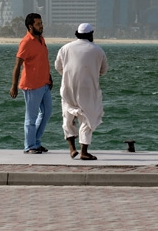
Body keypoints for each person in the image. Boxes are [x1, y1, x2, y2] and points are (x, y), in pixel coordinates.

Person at [54, 23, 108, 161]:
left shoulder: (65, 48)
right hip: (88, 89)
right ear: (91, 35)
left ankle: (72, 149)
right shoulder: (98, 50)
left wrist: (69, 75)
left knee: (67, 117)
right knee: (87, 119)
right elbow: (103, 70)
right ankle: (84, 152)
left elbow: (58, 67)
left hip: (68, 88)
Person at [9, 13, 53, 153]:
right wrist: (14, 86)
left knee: (47, 112)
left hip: (44, 84)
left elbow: (42, 60)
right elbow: (17, 65)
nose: (41, 26)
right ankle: (29, 146)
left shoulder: (41, 39)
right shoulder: (26, 42)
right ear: (30, 26)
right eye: (38, 24)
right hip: (31, 85)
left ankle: (36, 141)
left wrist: (49, 77)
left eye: (41, 23)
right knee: (31, 117)